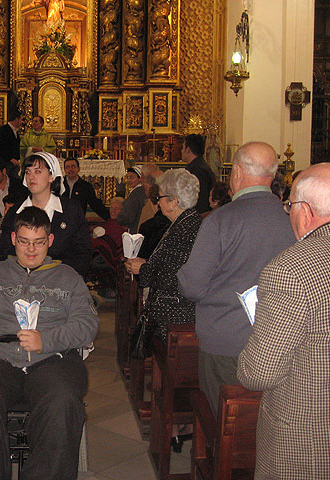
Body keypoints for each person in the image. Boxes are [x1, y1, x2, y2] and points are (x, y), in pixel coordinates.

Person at [237, 163, 330, 480]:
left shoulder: (291, 270)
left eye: (289, 205)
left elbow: (258, 374)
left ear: (304, 211)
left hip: (311, 445)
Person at [0, 206, 99, 480]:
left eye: (39, 242)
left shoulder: (69, 278)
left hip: (52, 360)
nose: (31, 250)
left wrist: (47, 340)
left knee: (63, 402)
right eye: (24, 242)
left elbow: (87, 326)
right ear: (13, 239)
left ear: (50, 241)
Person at [177, 141, 295, 414]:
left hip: (226, 342)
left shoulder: (220, 220)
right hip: (279, 341)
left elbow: (192, 286)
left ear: (238, 172)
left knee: (224, 423)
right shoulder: (292, 218)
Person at [125, 168, 202, 453]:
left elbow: (175, 277)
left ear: (173, 200)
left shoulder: (187, 228)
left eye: (160, 198)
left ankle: (175, 423)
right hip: (174, 313)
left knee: (171, 378)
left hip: (175, 317)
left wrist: (141, 268)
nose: (157, 203)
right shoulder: (186, 222)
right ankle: (174, 423)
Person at [0, 152, 92, 276]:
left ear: (52, 176)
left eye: (38, 171)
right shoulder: (15, 212)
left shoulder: (70, 210)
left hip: (60, 281)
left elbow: (83, 253)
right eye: (28, 172)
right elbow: (2, 254)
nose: (31, 177)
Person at [181, 134, 216, 214]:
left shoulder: (197, 170)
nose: (181, 151)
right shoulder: (198, 166)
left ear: (188, 150)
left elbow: (201, 199)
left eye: (183, 148)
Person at [117, 165, 147, 233]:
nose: (128, 180)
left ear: (140, 179)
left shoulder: (136, 192)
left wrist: (122, 220)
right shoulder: (143, 190)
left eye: (132, 177)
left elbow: (128, 214)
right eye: (127, 177)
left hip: (136, 227)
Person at [0, 110, 22, 178]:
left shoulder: (15, 131)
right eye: (20, 120)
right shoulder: (4, 130)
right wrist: (10, 159)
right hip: (7, 163)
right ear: (16, 119)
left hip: (14, 163)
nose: (21, 122)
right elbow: (0, 149)